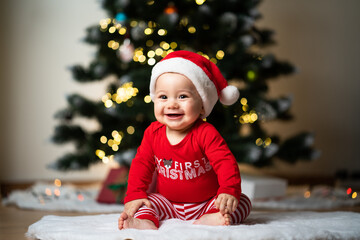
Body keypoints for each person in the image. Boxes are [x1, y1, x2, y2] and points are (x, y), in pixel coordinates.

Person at [118, 50, 251, 230]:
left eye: (182, 96)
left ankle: (213, 217)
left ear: (202, 105)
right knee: (147, 202)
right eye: (163, 97)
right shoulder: (153, 133)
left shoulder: (206, 133)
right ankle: (145, 222)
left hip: (207, 203)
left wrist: (228, 191)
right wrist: (134, 194)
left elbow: (225, 162)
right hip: (168, 203)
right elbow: (142, 164)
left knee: (241, 201)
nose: (172, 104)